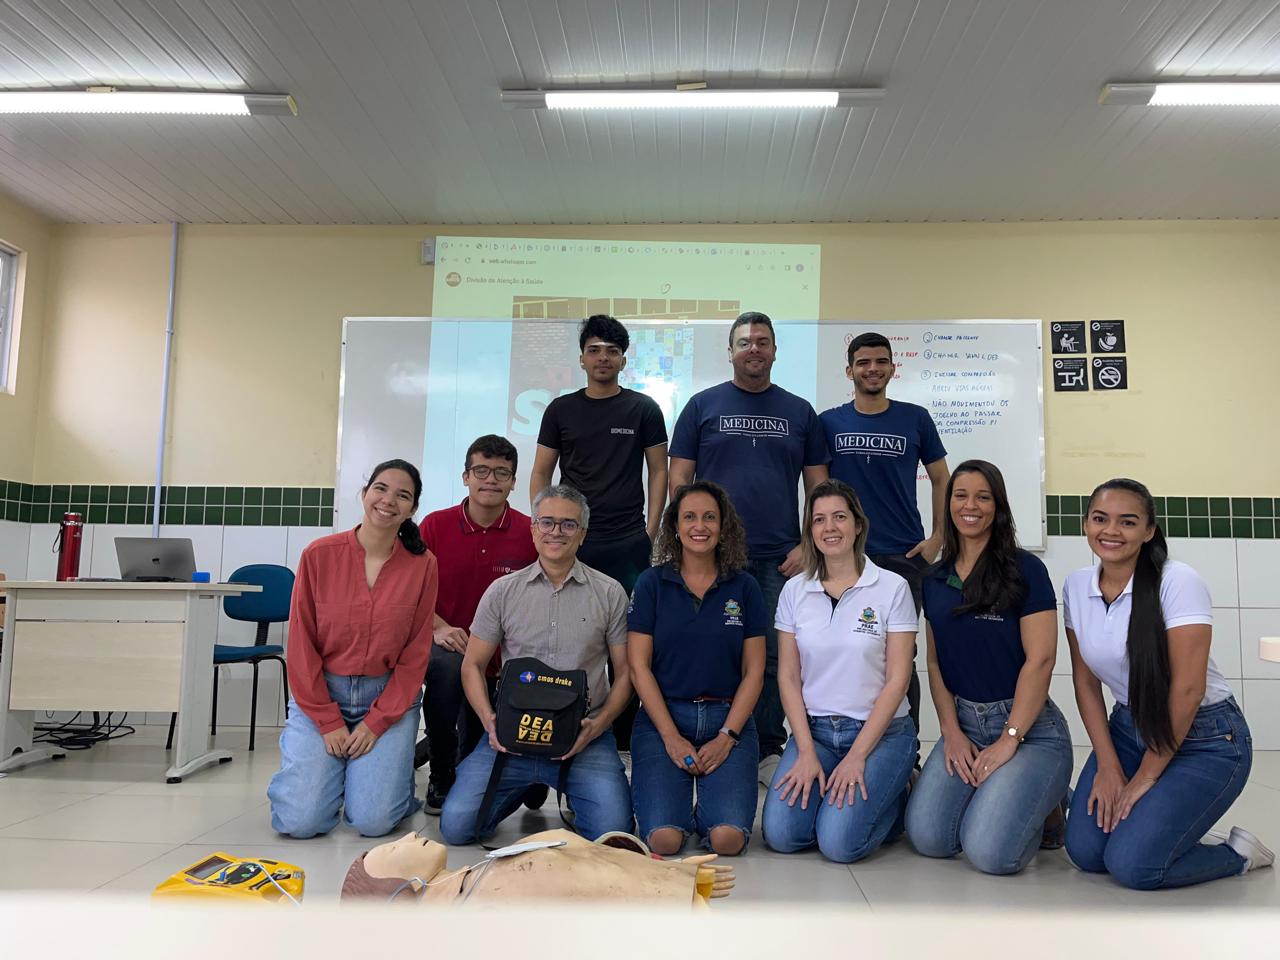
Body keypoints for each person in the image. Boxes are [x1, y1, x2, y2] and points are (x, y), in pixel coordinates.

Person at [1062, 478, 1274, 889]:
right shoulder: (1076, 586)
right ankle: (1164, 829)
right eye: (1100, 519)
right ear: (1085, 524)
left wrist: (1145, 777)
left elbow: (1188, 690)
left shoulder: (1177, 581)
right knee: (1086, 853)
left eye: (1127, 522)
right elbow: (1085, 682)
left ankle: (1238, 855)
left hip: (1204, 738)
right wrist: (1108, 765)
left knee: (1132, 866)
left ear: (1148, 531)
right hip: (1128, 729)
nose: (1111, 531)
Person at [669, 311, 829, 782]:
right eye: (744, 342)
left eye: (762, 341)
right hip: (713, 556)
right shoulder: (701, 405)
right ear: (731, 351)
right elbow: (680, 480)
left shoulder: (800, 411)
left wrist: (808, 544)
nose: (753, 348)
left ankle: (767, 748)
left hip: (780, 559)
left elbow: (819, 488)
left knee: (777, 656)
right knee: (712, 648)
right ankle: (714, 736)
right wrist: (688, 542)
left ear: (775, 350)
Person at [439, 484, 634, 844]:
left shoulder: (610, 593)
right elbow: (472, 665)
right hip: (511, 735)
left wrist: (597, 726)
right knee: (456, 828)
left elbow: (625, 674)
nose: (556, 532)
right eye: (547, 522)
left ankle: (567, 788)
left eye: (568, 524)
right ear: (533, 529)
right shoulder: (503, 591)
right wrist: (489, 721)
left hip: (584, 737)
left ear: (582, 534)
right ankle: (525, 785)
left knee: (613, 833)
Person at [904, 460, 1072, 874]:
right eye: (961, 495)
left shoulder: (1025, 570)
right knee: (929, 838)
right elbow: (935, 661)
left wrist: (1010, 739)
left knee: (989, 854)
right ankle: (1017, 794)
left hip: (1029, 729)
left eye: (983, 497)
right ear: (947, 504)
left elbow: (1041, 660)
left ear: (998, 507)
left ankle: (1049, 804)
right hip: (965, 724)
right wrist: (951, 732)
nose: (970, 506)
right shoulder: (935, 578)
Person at [267, 459, 438, 838]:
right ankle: (334, 778)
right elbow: (301, 643)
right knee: (300, 822)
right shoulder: (319, 554)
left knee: (373, 822)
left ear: (412, 509)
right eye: (380, 488)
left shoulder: (423, 565)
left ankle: (380, 783)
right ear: (364, 494)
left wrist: (377, 723)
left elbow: (415, 653)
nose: (388, 500)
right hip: (321, 694)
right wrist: (327, 721)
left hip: (388, 698)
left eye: (402, 495)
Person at [530, 314, 668, 753]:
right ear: (582, 359)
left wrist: (650, 530)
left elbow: (659, 471)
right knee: (567, 636)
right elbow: (541, 472)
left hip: (627, 543)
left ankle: (623, 739)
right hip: (573, 542)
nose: (603, 357)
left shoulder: (643, 409)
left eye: (612, 351)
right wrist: (545, 525)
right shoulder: (560, 410)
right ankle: (561, 725)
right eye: (594, 350)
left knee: (627, 644)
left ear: (624, 360)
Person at [761, 479, 918, 863]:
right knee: (782, 835)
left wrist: (857, 756)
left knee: (839, 844)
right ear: (810, 531)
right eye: (819, 520)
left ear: (858, 525)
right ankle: (841, 802)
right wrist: (805, 750)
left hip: (880, 736)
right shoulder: (795, 590)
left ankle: (898, 796)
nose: (829, 528)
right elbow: (788, 676)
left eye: (839, 517)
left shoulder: (892, 587)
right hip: (816, 732)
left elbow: (898, 680)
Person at [819, 331, 949, 737]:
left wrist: (938, 538)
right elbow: (818, 491)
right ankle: (843, 736)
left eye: (880, 362)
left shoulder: (915, 418)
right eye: (863, 362)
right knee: (845, 650)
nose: (872, 369)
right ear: (849, 371)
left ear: (893, 368)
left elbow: (942, 478)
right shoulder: (828, 422)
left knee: (900, 656)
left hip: (902, 558)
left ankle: (905, 749)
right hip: (844, 559)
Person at [627, 481, 766, 856]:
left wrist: (727, 737)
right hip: (663, 718)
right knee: (664, 840)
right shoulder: (652, 583)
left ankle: (709, 810)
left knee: (727, 840)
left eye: (709, 517)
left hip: (728, 717)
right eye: (689, 517)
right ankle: (674, 806)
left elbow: (754, 672)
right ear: (675, 526)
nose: (699, 526)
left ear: (723, 526)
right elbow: (638, 667)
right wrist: (671, 737)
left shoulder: (745, 586)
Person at [415, 435, 537, 814]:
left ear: (513, 482)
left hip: (507, 655)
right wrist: (438, 627)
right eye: (481, 471)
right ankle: (441, 771)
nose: (491, 480)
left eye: (502, 473)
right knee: (448, 668)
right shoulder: (434, 526)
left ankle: (481, 760)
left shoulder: (530, 531)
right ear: (465, 476)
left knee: (529, 794)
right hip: (450, 645)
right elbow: (411, 591)